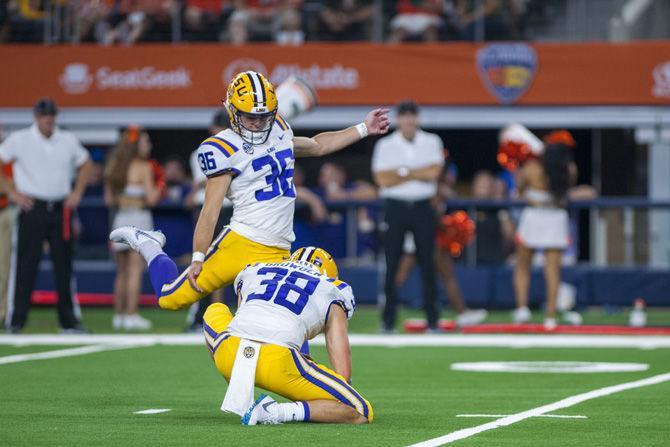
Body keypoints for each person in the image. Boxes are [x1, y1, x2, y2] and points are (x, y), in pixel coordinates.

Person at [110, 71, 389, 318]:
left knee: (284, 323)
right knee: (172, 298)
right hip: (242, 241)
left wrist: (363, 128)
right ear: (232, 111)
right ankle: (149, 245)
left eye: (262, 116)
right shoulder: (221, 149)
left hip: (279, 250)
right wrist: (197, 257)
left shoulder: (278, 128)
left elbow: (316, 145)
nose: (257, 123)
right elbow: (210, 209)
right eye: (250, 117)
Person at [207, 246, 371, 425]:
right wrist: (339, 392)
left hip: (229, 354)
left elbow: (244, 317)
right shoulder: (333, 288)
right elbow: (343, 372)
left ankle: (238, 387)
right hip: (278, 361)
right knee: (360, 410)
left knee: (215, 310)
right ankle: (274, 412)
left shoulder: (256, 269)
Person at [0, 98, 92, 333]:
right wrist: (12, 192)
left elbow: (86, 164)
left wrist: (77, 192)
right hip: (32, 208)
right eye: (44, 115)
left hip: (61, 209)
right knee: (24, 265)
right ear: (36, 117)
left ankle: (69, 321)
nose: (48, 119)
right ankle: (16, 319)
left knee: (64, 266)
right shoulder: (20, 139)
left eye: (51, 115)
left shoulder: (66, 139)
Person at [372, 100, 442, 332]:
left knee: (428, 264)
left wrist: (400, 172)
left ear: (417, 118)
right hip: (396, 208)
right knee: (391, 264)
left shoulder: (432, 141)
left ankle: (433, 321)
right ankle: (388, 321)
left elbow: (434, 173)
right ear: (399, 119)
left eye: (413, 116)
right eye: (405, 116)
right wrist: (415, 173)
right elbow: (382, 179)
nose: (409, 120)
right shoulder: (385, 144)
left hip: (423, 207)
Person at [513, 132, 577, 331]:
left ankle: (522, 309)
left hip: (535, 215)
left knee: (523, 266)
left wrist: (530, 194)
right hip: (555, 216)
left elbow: (520, 190)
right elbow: (565, 192)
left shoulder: (532, 168)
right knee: (552, 270)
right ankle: (550, 316)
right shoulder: (570, 169)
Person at [105, 126, 161, 331]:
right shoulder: (144, 167)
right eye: (146, 142)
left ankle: (118, 316)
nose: (149, 145)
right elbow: (152, 199)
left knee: (121, 271)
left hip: (120, 218)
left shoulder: (115, 167)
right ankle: (131, 314)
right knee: (135, 271)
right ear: (137, 145)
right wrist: (160, 185)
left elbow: (109, 199)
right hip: (139, 220)